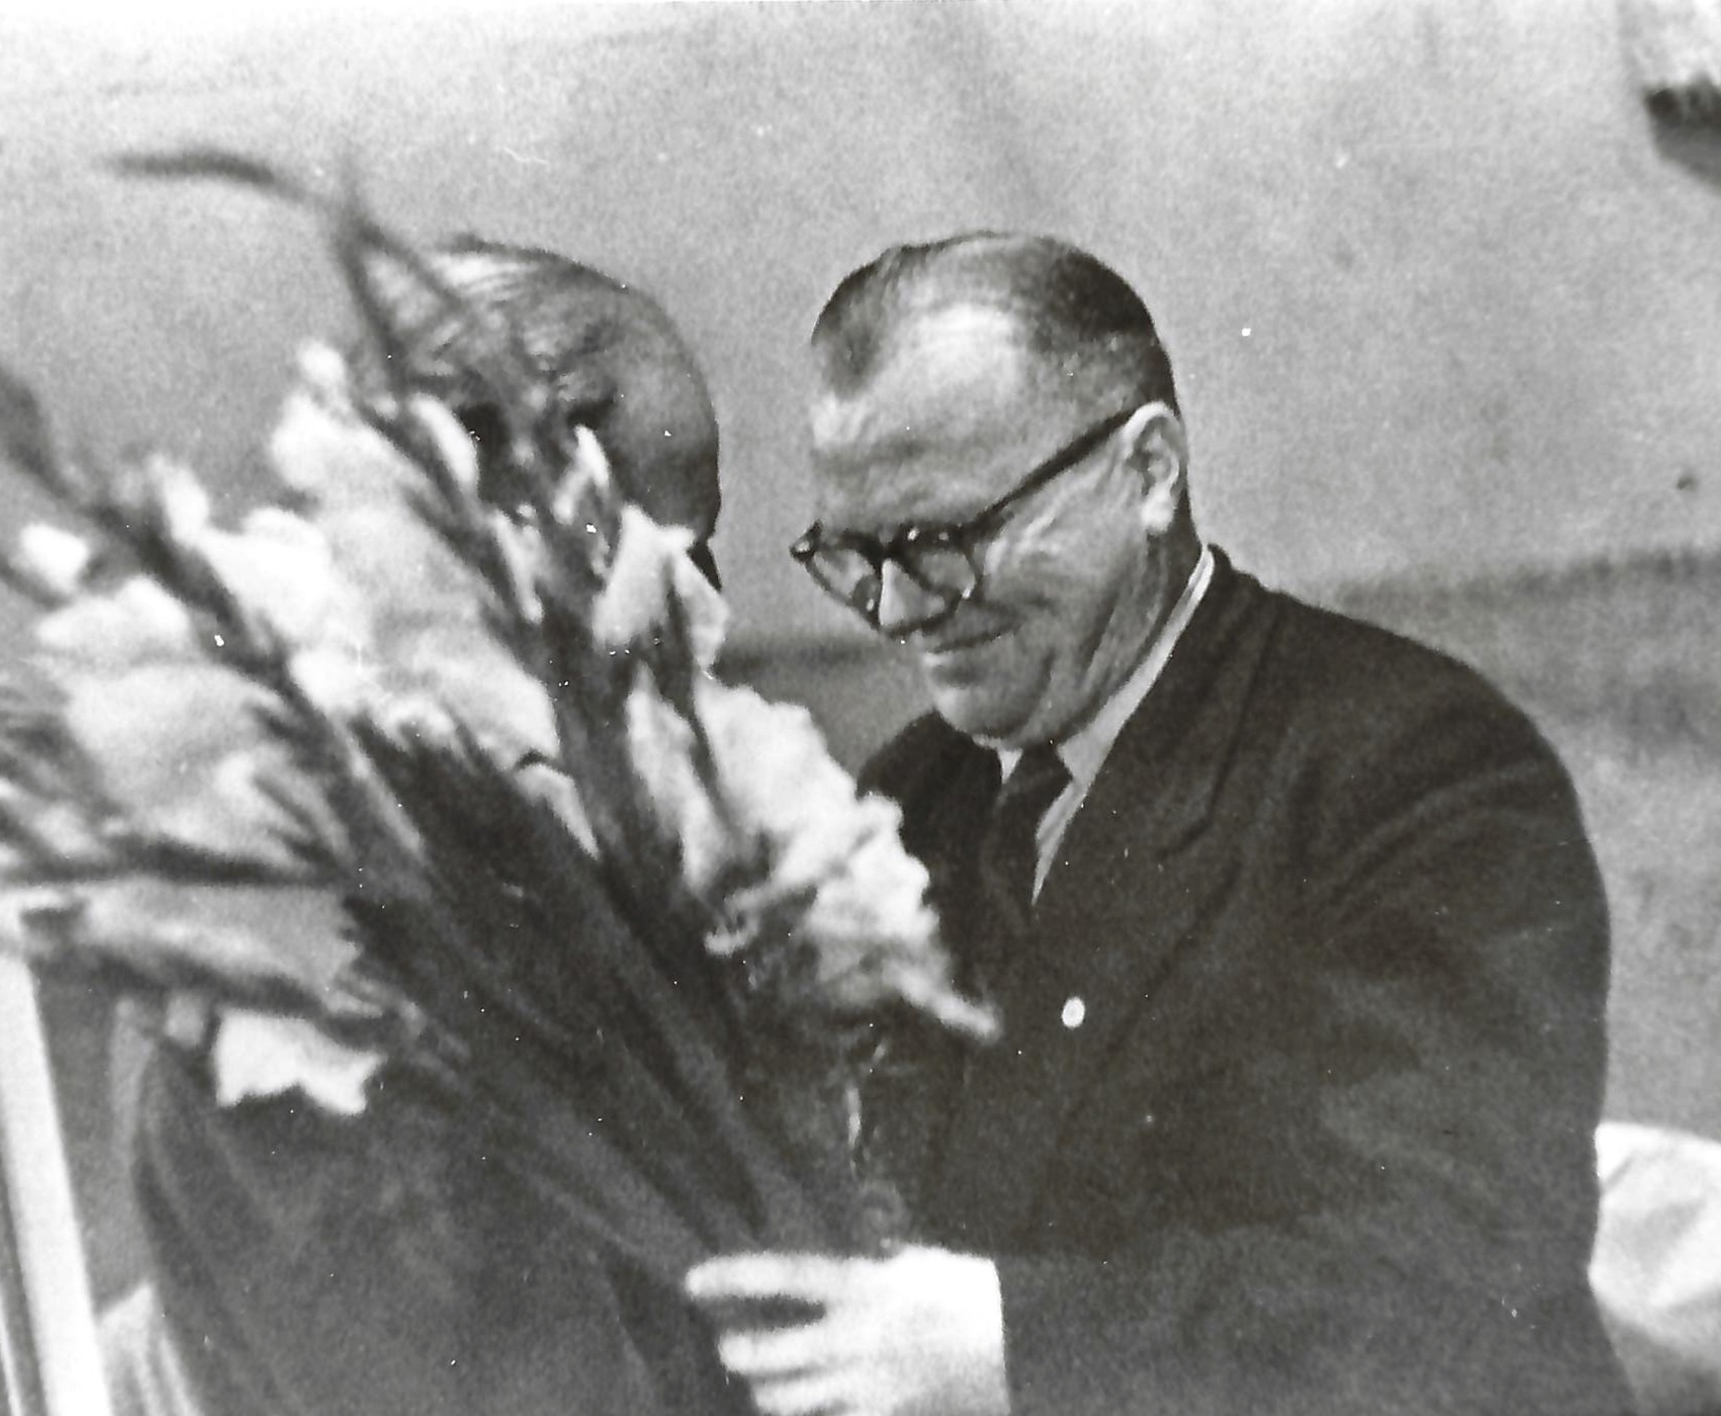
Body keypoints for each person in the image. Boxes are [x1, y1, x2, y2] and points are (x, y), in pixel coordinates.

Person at [687, 232, 1635, 1416]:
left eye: (942, 544)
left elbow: (1456, 1289)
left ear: (1146, 474)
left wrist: (1012, 1346)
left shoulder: (1406, 769)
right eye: (857, 556)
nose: (900, 612)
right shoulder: (916, 796)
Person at [106, 240, 742, 1416]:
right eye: (639, 552)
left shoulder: (519, 864)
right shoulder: (298, 971)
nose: (700, 614)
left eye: (700, 547)